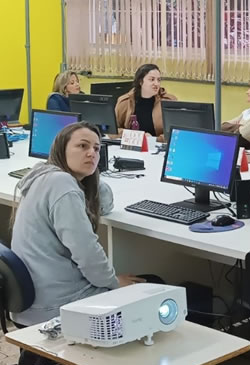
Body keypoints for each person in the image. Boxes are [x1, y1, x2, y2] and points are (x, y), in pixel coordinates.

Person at [10, 122, 147, 325]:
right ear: (61, 149)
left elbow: (105, 205)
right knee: (150, 287)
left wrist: (90, 176)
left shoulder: (44, 176)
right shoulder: (62, 185)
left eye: (97, 149)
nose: (91, 153)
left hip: (33, 302)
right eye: (82, 146)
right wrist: (114, 282)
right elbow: (87, 253)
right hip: (55, 307)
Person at [114, 64, 176, 141]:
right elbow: (113, 130)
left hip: (157, 145)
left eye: (159, 80)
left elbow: (176, 132)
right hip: (131, 145)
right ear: (140, 82)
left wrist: (154, 139)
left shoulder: (169, 101)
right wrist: (135, 136)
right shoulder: (125, 101)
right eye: (152, 79)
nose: (156, 83)